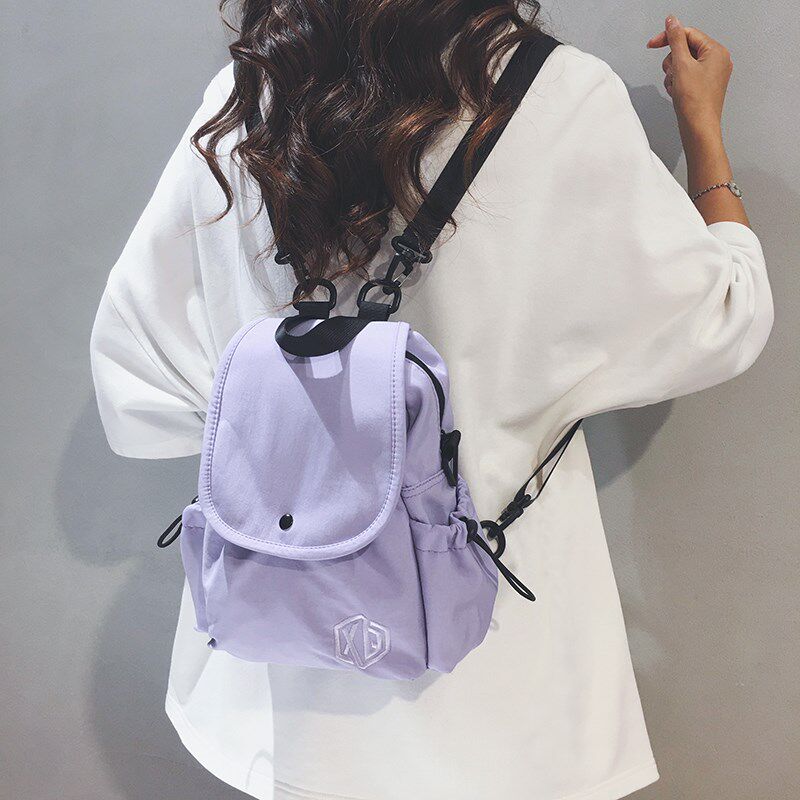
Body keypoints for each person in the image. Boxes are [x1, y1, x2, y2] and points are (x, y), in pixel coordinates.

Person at [90, 3, 773, 799]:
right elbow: (721, 319)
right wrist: (703, 130)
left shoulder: (251, 96)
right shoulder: (560, 95)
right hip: (487, 667)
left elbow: (139, 372)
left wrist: (296, 431)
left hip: (276, 657)